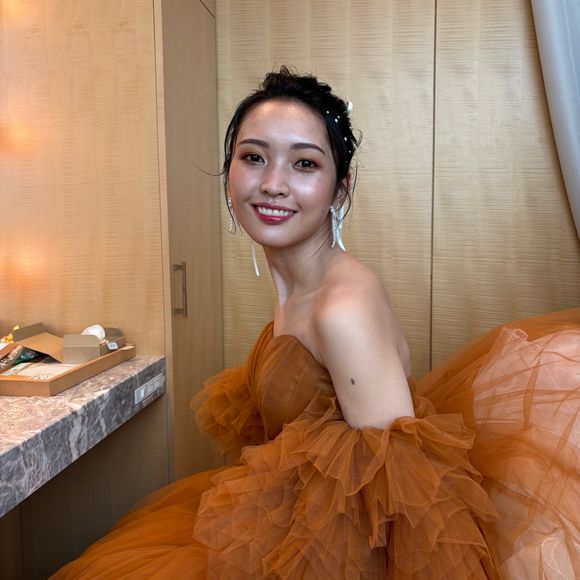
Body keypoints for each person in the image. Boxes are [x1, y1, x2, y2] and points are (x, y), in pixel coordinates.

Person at [53, 67, 580, 579]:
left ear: (339, 189)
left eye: (304, 164)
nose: (273, 184)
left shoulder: (341, 308)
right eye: (253, 157)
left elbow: (396, 505)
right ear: (229, 170)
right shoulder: (301, 284)